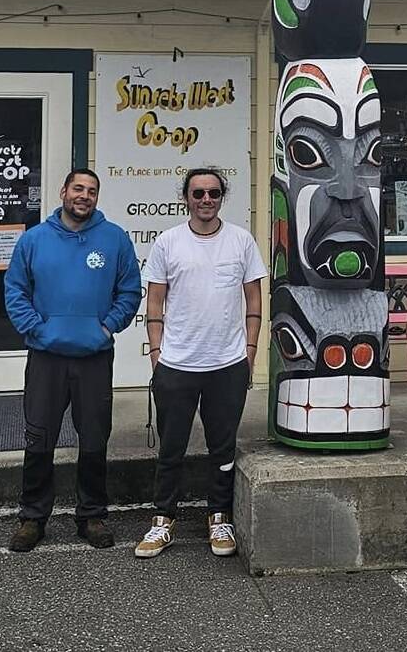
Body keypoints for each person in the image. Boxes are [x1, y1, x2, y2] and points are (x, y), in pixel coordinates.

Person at [3, 167, 141, 552]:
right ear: (63, 191)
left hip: (94, 357)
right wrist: (39, 330)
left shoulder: (114, 239)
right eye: (78, 188)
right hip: (46, 357)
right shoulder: (34, 240)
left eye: (92, 190)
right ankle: (32, 517)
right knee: (39, 436)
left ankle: (91, 516)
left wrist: (107, 327)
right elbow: (15, 290)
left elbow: (130, 290)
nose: (84, 195)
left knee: (95, 437)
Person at [135, 167, 267, 560]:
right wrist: (157, 355)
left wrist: (250, 352)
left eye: (213, 193)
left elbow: (254, 301)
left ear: (221, 196)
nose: (205, 200)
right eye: (198, 193)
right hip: (177, 363)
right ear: (186, 198)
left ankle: (219, 515)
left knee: (223, 448)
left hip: (227, 364)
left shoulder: (241, 241)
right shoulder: (168, 242)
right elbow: (154, 301)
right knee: (170, 447)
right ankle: (163, 519)